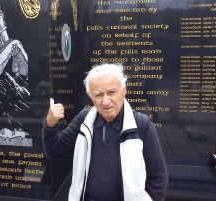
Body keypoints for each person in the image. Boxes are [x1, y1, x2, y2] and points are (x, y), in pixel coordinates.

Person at [42, 63, 168, 201]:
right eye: (98, 95)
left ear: (124, 90)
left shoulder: (141, 124)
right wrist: (50, 124)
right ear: (91, 97)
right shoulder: (85, 119)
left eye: (112, 92)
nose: (106, 101)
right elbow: (55, 150)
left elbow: (158, 178)